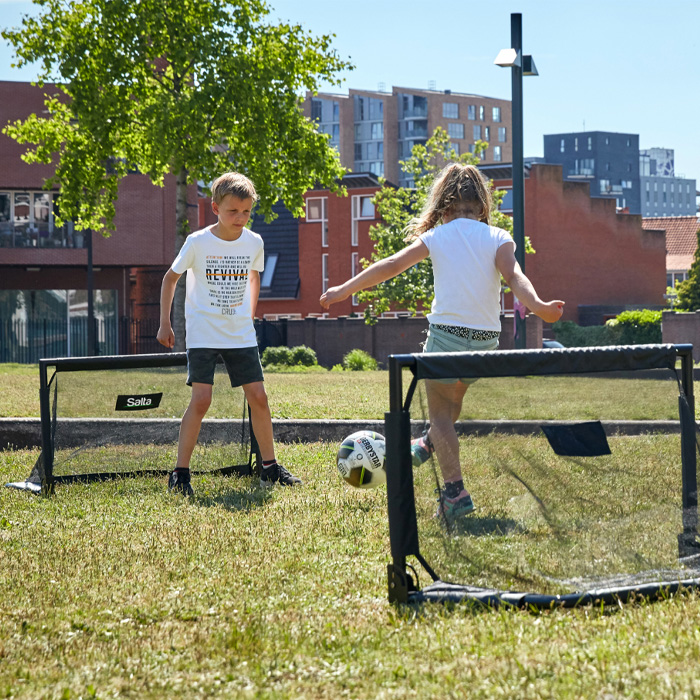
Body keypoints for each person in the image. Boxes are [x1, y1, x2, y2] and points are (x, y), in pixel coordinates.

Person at [320, 163, 563, 523]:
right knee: (451, 408)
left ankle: (454, 492)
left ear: (443, 207)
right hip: (485, 340)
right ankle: (429, 443)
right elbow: (515, 276)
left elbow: (390, 265)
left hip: (446, 336)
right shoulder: (498, 236)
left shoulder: (437, 236)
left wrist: (344, 289)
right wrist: (539, 307)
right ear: (482, 206)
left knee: (439, 414)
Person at [157, 172, 301, 496]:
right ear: (215, 207)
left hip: (240, 334)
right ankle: (180, 473)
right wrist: (164, 324)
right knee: (202, 400)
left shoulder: (254, 242)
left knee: (260, 398)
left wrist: (248, 316)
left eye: (246, 211)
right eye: (233, 211)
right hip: (203, 332)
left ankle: (270, 468)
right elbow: (170, 279)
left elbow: (253, 277)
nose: (240, 218)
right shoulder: (197, 242)